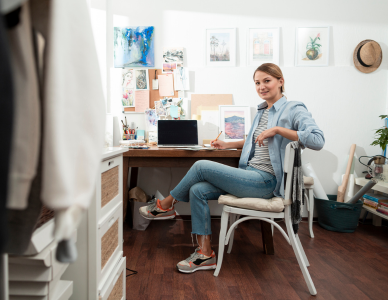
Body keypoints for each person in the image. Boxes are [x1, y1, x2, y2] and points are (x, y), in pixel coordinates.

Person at [139, 63, 325, 273]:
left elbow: (317, 140)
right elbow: (254, 140)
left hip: (266, 182)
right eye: (257, 82)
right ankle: (204, 254)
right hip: (250, 176)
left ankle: (165, 205)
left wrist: (278, 130)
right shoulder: (262, 111)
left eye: (267, 81)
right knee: (197, 190)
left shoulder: (294, 108)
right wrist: (228, 144)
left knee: (200, 165)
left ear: (280, 82)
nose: (261, 86)